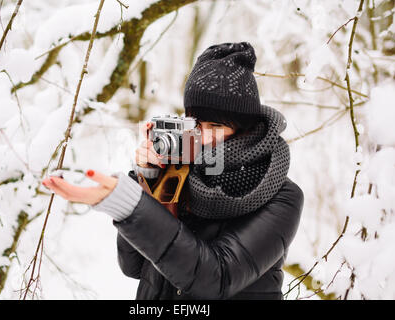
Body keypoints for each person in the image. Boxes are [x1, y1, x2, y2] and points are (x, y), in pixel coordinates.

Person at [42, 42, 304, 300]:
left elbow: (216, 280)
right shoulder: (179, 169)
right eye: (196, 123)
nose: (202, 136)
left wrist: (131, 204)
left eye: (214, 126)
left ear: (243, 128)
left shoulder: (280, 195)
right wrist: (148, 181)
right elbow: (133, 267)